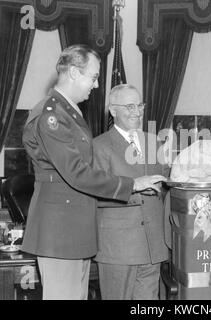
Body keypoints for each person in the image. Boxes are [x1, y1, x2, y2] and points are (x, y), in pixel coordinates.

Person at [21, 45, 166, 300]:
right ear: (75, 73)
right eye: (94, 76)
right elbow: (77, 172)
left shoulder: (70, 112)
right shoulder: (52, 114)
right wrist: (132, 184)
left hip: (75, 230)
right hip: (60, 231)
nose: (97, 85)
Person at [93, 84, 170, 300]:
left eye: (140, 105)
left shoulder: (154, 142)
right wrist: (134, 187)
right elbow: (94, 194)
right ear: (113, 110)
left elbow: (169, 180)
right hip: (118, 249)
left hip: (152, 247)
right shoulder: (98, 146)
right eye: (129, 106)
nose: (137, 112)